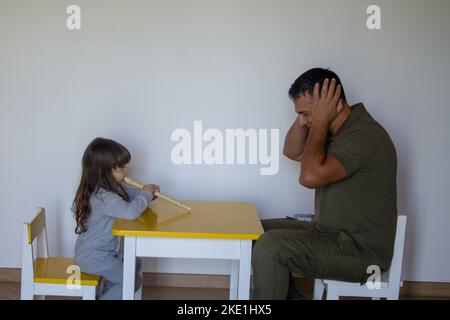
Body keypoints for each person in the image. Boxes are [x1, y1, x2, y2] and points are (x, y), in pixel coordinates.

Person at [251, 68, 397, 300]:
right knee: (252, 231)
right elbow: (292, 151)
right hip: (329, 233)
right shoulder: (336, 130)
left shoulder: (363, 135)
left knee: (271, 247)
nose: (306, 121)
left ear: (334, 104)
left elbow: (309, 178)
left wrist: (318, 120)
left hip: (361, 252)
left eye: (307, 113)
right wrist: (306, 118)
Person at [71, 137, 160, 299]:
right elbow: (130, 212)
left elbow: (128, 195)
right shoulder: (103, 197)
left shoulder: (107, 190)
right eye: (122, 168)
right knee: (132, 281)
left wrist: (147, 195)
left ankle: (107, 292)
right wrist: (145, 195)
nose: (126, 171)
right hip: (95, 257)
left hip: (100, 252)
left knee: (135, 262)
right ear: (105, 171)